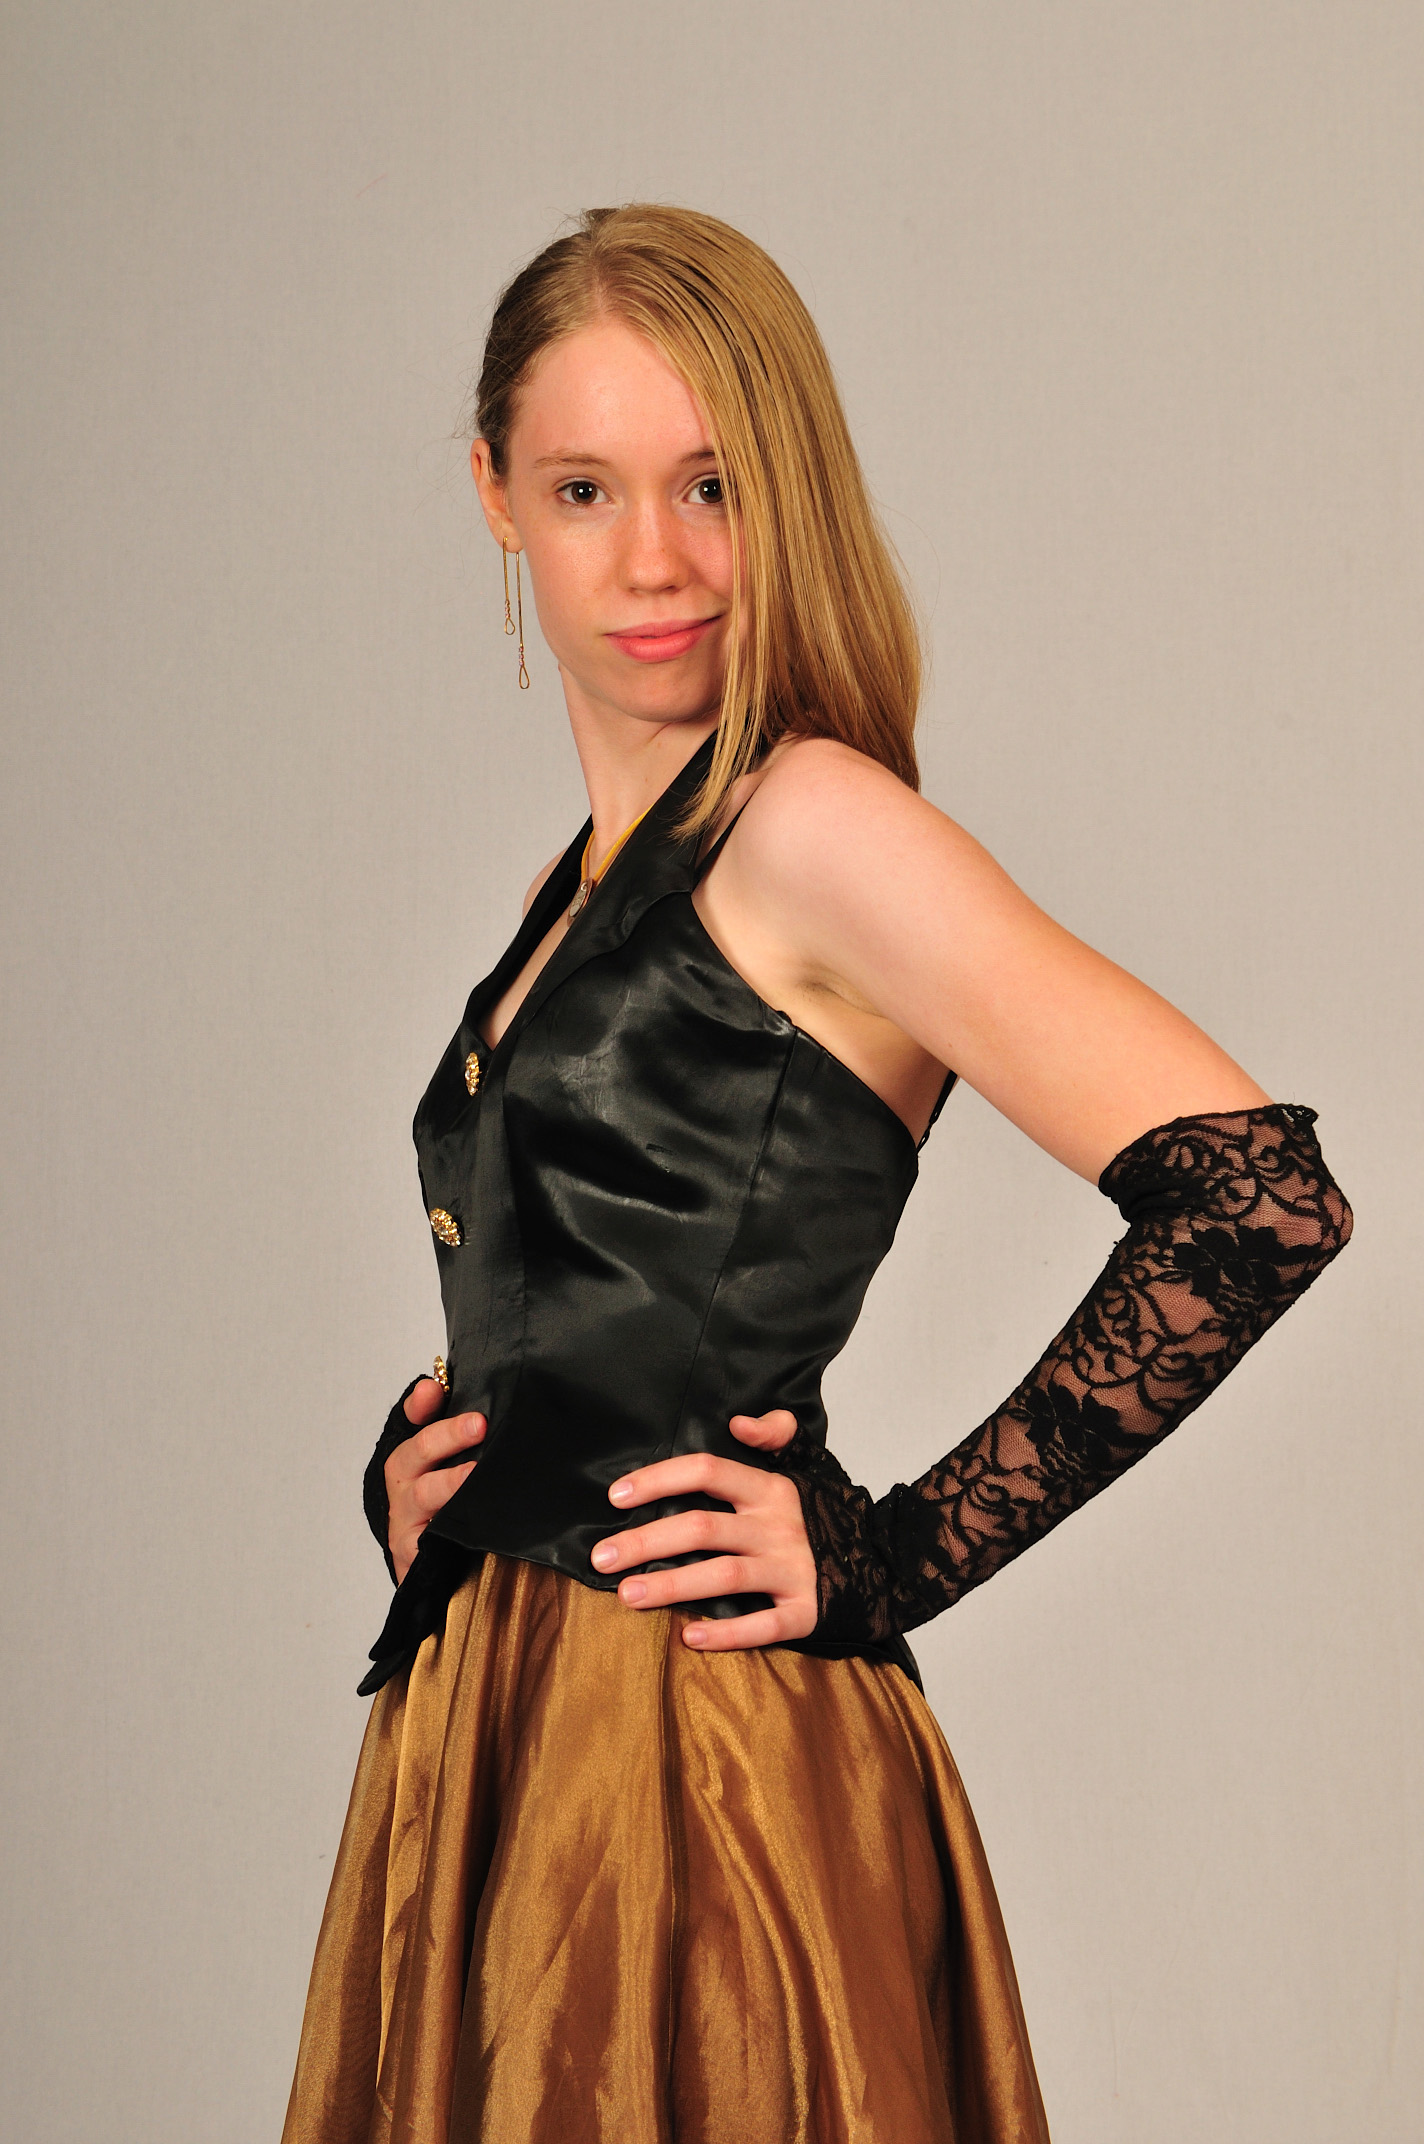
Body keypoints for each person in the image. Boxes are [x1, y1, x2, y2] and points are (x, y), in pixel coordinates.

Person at [281, 205, 1352, 2144]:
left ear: (784, 489)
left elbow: (1257, 1202)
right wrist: (447, 1470)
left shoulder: (811, 827)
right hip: (503, 1735)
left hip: (690, 1769)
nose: (656, 557)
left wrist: (894, 1553)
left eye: (710, 484)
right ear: (494, 495)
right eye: (586, 488)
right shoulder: (575, 883)